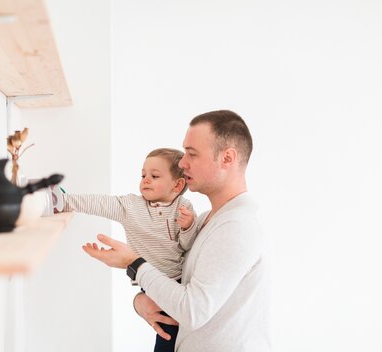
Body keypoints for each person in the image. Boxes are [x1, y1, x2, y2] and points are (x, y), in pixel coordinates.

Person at [83, 110, 272, 351]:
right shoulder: (206, 221)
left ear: (227, 158)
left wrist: (135, 263)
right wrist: (141, 301)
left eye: (192, 154)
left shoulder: (237, 227)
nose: (182, 164)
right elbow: (182, 289)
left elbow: (193, 311)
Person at [57, 147, 198, 351]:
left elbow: (187, 245)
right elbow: (100, 204)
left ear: (177, 185)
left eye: (154, 176)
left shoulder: (183, 208)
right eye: (143, 175)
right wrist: (65, 201)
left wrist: (187, 227)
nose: (146, 180)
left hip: (176, 282)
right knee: (166, 333)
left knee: (173, 336)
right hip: (148, 284)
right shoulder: (131, 206)